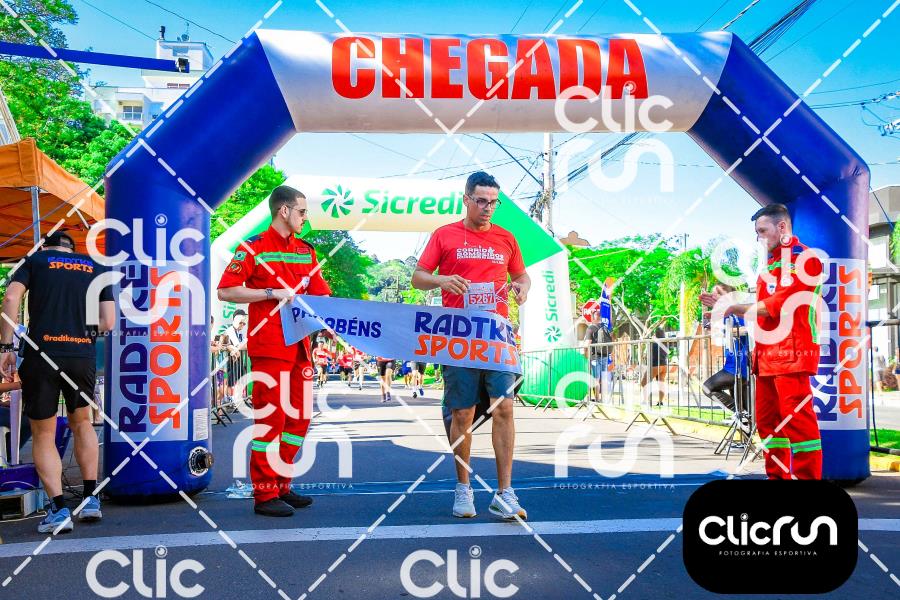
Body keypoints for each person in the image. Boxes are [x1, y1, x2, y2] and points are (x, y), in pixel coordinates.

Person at [412, 171, 531, 521]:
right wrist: (441, 279)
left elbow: (521, 275)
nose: (487, 207)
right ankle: (463, 488)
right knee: (462, 413)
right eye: (481, 201)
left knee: (504, 408)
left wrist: (523, 287)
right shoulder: (444, 234)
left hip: (496, 335)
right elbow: (418, 277)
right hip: (458, 335)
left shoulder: (506, 238)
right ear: (465, 199)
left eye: (493, 202)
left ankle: (505, 492)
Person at [217, 185, 332, 516]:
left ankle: (282, 484)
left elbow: (322, 295)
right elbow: (226, 291)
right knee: (271, 419)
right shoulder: (253, 247)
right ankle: (265, 494)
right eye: (302, 212)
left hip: (301, 348)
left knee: (299, 419)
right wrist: (270, 292)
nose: (305, 218)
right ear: (284, 210)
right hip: (269, 346)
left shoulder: (306, 251)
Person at [0, 232, 114, 533]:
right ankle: (90, 499)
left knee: (44, 432)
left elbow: (11, 298)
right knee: (83, 423)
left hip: (42, 354)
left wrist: (6, 347)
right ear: (71, 249)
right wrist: (78, 331)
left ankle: (59, 509)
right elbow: (108, 322)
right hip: (81, 354)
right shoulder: (95, 266)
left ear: (44, 246)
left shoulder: (35, 261)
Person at [701, 203, 823, 480]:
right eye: (757, 232)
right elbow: (760, 307)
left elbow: (776, 306)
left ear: (782, 227)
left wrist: (731, 306)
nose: (759, 238)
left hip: (791, 355)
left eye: (762, 231)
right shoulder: (770, 265)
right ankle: (777, 478)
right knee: (769, 426)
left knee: (799, 426)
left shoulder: (804, 259)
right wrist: (728, 303)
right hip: (767, 356)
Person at [701, 285, 750, 431]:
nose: (713, 298)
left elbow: (744, 329)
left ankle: (742, 414)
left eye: (716, 295)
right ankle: (745, 425)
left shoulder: (737, 312)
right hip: (734, 365)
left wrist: (723, 328)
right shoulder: (726, 313)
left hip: (738, 366)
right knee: (743, 406)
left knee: (708, 387)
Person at [583, 309, 612, 401]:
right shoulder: (606, 328)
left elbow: (587, 344)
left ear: (594, 317)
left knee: (596, 379)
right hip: (605, 355)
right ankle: (603, 398)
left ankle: (597, 399)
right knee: (603, 378)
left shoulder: (591, 328)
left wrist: (584, 354)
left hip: (594, 357)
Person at [640, 327, 668, 406]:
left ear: (656, 334)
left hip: (655, 365)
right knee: (661, 384)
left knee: (644, 382)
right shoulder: (665, 342)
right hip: (664, 365)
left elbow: (647, 352)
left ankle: (645, 400)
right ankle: (660, 401)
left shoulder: (653, 342)